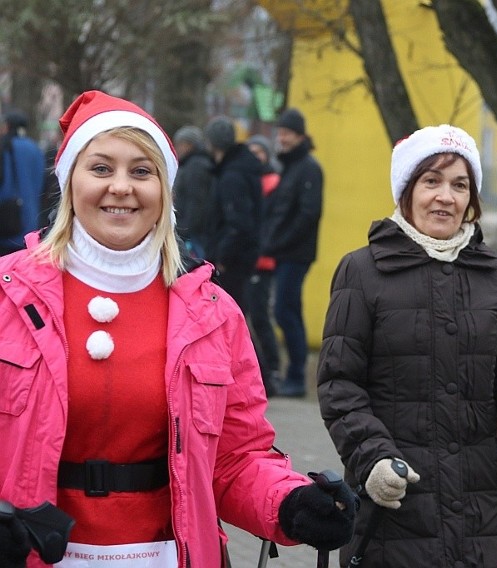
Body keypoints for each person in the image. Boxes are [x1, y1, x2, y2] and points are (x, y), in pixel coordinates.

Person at [0, 90, 356, 567]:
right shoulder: (8, 296)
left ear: (165, 188)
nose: (122, 187)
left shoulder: (213, 313)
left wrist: (289, 503)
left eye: (142, 171)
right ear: (69, 183)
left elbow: (235, 459)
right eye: (101, 168)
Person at [316, 124, 497, 567]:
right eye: (432, 181)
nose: (446, 196)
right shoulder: (362, 272)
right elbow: (339, 386)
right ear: (407, 190)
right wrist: (374, 459)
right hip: (394, 505)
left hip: (478, 515)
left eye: (460, 185)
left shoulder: (495, 274)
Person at [260, 108, 323, 397]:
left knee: (286, 311)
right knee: (286, 310)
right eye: (280, 132)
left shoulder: (308, 168)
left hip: (294, 253)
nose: (281, 138)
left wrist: (279, 241)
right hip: (284, 251)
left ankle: (296, 376)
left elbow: (307, 214)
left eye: (286, 133)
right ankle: (293, 375)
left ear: (299, 136)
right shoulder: (291, 167)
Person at [204, 115, 263, 312]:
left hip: (232, 260)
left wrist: (222, 257)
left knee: (229, 314)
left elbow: (237, 222)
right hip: (242, 255)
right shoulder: (240, 169)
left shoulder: (232, 177)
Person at [247, 134, 284, 397]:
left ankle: (271, 367)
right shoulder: (251, 182)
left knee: (260, 315)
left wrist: (264, 248)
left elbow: (270, 225)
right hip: (251, 258)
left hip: (264, 259)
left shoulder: (272, 184)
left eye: (260, 151)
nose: (255, 156)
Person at [0, 110, 45, 256]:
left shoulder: (5, 147)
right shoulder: (36, 148)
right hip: (32, 221)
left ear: (7, 126)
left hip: (8, 221)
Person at [171, 124, 214, 259]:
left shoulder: (196, 166)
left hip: (191, 232)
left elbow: (196, 200)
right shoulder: (191, 164)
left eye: (180, 144)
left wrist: (185, 229)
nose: (177, 148)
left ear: (189, 145)